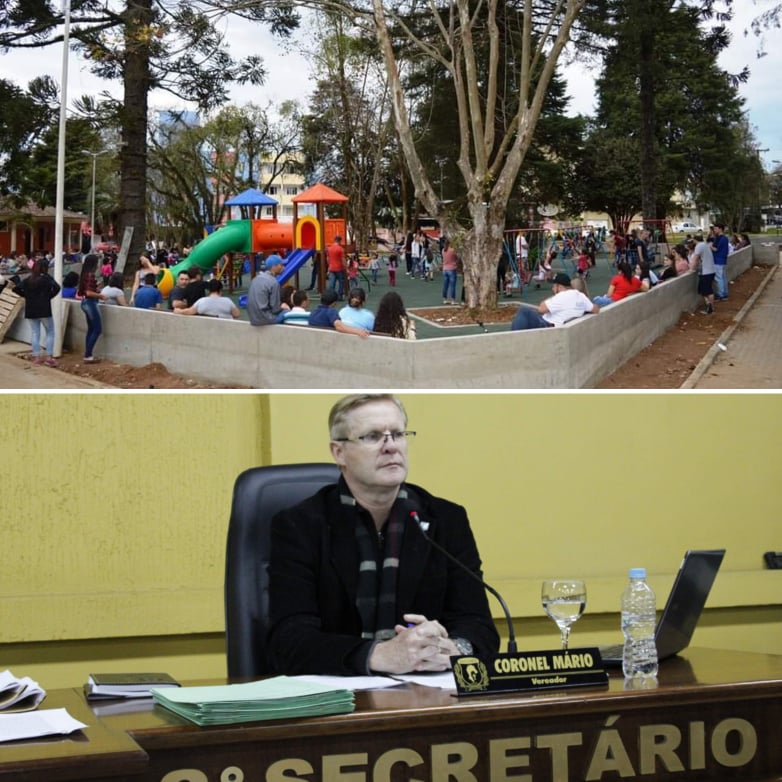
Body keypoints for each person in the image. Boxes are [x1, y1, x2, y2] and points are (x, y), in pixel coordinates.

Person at [266, 393, 500, 675]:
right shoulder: (299, 525)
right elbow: (288, 641)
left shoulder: (445, 520)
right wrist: (379, 655)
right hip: (337, 700)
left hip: (427, 695)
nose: (391, 447)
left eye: (398, 434)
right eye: (373, 436)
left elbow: (479, 627)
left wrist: (453, 649)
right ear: (339, 452)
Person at [510, 272, 598, 330]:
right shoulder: (580, 295)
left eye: (554, 286)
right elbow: (595, 309)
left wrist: (556, 295)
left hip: (549, 326)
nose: (552, 288)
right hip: (556, 325)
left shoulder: (562, 296)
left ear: (559, 287)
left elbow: (541, 309)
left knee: (524, 311)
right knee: (528, 314)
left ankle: (513, 339)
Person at [15, 258, 61, 366]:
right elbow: (57, 287)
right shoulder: (47, 278)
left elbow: (15, 289)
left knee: (35, 333)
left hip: (31, 309)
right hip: (44, 309)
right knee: (50, 332)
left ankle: (36, 357)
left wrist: (27, 296)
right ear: (45, 268)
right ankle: (49, 357)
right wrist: (49, 297)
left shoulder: (28, 280)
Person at [77, 253, 105, 362]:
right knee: (97, 329)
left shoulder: (84, 274)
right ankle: (88, 355)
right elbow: (89, 292)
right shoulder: (90, 275)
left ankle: (88, 354)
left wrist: (96, 290)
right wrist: (100, 295)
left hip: (85, 302)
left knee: (91, 329)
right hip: (90, 302)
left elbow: (86, 291)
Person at [247, 257, 288, 326]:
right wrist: (283, 307)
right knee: (288, 312)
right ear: (274, 267)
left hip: (253, 318)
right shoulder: (273, 282)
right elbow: (275, 309)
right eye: (281, 265)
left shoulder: (256, 279)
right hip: (266, 319)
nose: (283, 267)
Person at [175, 278, 239, 319]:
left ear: (208, 290)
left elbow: (189, 311)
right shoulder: (227, 301)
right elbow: (236, 314)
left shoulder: (201, 301)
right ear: (220, 290)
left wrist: (179, 311)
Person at [689, 232, 716, 315]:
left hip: (706, 272)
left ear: (695, 240)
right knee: (703, 291)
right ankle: (709, 306)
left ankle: (711, 308)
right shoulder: (704, 245)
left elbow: (695, 259)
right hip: (709, 270)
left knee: (708, 291)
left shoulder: (699, 246)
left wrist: (691, 269)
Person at [710, 223, 730, 301]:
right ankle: (724, 293)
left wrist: (710, 246)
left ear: (720, 229)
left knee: (719, 278)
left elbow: (715, 249)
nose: (714, 230)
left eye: (715, 228)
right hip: (722, 260)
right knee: (723, 277)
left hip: (718, 260)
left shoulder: (720, 238)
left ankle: (721, 294)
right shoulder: (723, 238)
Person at [326, 235, 346, 299]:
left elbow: (328, 258)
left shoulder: (329, 248)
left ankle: (331, 296)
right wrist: (346, 267)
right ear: (340, 241)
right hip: (339, 268)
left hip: (331, 268)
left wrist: (329, 265)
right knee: (341, 282)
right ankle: (339, 296)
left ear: (334, 240)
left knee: (332, 282)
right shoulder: (341, 249)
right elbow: (343, 260)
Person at [441, 240, 458, 304]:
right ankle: (453, 300)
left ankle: (444, 299)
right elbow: (456, 257)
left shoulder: (443, 250)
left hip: (445, 268)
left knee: (445, 285)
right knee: (452, 285)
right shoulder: (452, 250)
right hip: (452, 268)